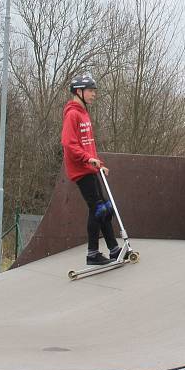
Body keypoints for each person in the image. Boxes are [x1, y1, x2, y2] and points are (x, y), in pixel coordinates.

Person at [61, 74, 121, 266]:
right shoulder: (73, 114)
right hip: (80, 169)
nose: (94, 94)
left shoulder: (84, 112)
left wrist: (99, 163)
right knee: (97, 209)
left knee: (104, 208)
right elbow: (69, 144)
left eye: (94, 91)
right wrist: (88, 159)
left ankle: (114, 250)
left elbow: (88, 144)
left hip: (90, 167)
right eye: (90, 91)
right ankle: (92, 254)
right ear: (79, 92)